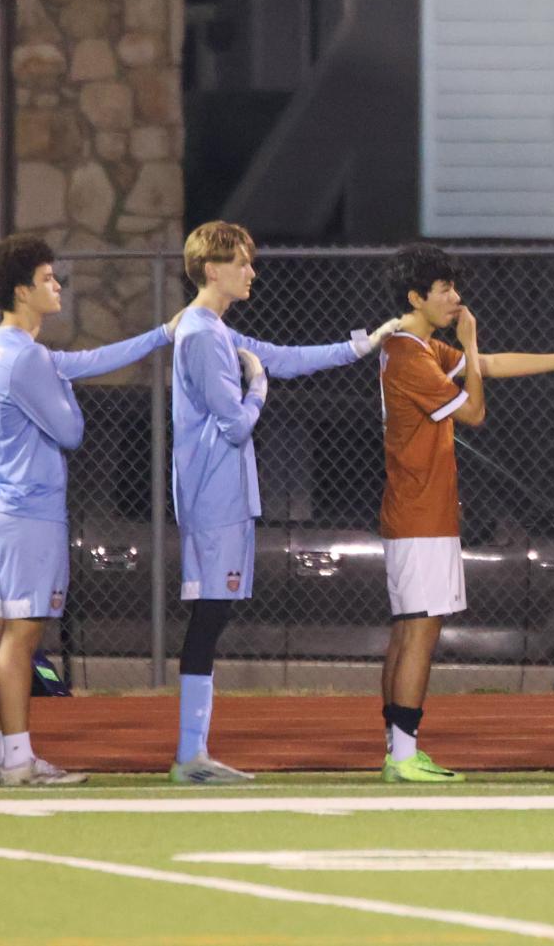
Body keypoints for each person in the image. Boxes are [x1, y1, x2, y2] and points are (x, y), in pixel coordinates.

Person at [169, 221, 398, 785]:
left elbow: (285, 357)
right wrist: (258, 388)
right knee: (208, 619)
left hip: (223, 493)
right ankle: (190, 756)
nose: (252, 272)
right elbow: (234, 423)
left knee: (212, 618)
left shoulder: (216, 331)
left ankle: (193, 754)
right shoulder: (202, 335)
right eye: (243, 263)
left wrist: (362, 345)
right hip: (213, 496)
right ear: (214, 268)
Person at [374, 243, 554, 783]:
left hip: (414, 512)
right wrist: (470, 344)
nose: (457, 298)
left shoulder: (418, 346)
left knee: (408, 631)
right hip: (420, 515)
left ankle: (397, 748)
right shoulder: (408, 353)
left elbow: (489, 367)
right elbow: (474, 409)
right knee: (419, 633)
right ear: (415, 297)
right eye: (445, 289)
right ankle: (402, 754)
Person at [0, 235, 175, 785]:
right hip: (28, 512)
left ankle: (1, 755)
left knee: (2, 633)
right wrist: (62, 394)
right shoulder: (27, 357)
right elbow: (72, 431)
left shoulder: (0, 347)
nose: (57, 285)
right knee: (22, 637)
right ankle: (17, 763)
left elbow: (83, 360)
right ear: (22, 290)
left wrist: (161, 334)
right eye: (47, 279)